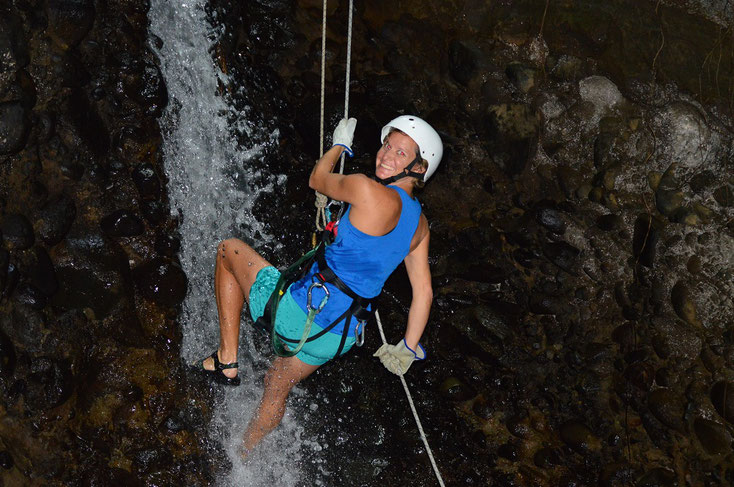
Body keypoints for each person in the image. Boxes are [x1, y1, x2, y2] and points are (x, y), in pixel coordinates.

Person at [199, 115, 443, 456]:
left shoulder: (365, 189)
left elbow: (317, 178)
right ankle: (241, 457)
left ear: (419, 168)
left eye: (401, 153)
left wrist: (338, 146)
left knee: (228, 250)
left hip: (299, 312)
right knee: (276, 386)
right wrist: (407, 346)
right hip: (337, 336)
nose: (386, 155)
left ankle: (227, 360)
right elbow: (424, 292)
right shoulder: (420, 226)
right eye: (387, 145)